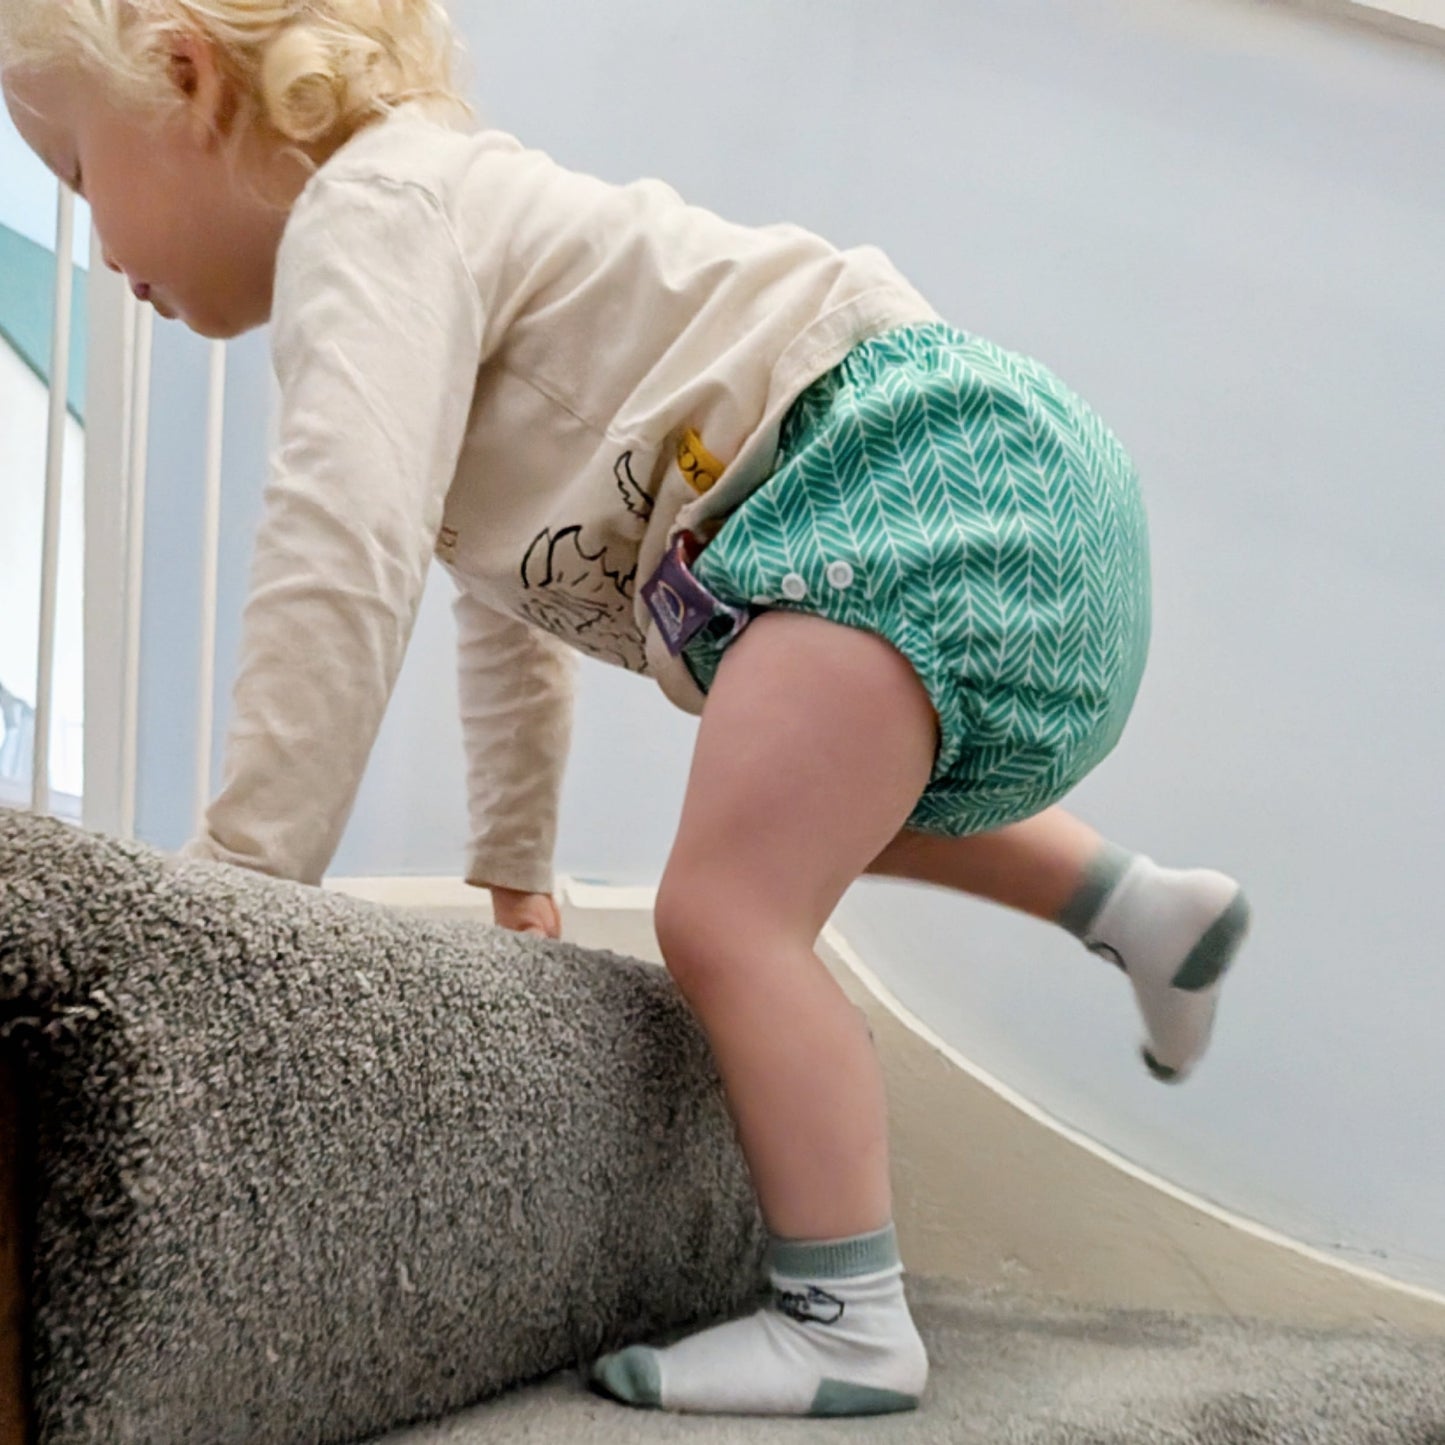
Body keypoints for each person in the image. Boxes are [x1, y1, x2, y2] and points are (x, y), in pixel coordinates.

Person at [2, 0, 1250, 1419]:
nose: (96, 244)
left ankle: (845, 1315)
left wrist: (239, 882)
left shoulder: (375, 212)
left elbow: (337, 550)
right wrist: (515, 866)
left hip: (903, 473)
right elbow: (507, 610)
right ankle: (1142, 909)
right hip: (1002, 489)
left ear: (186, 76)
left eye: (84, 177)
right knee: (806, 810)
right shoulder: (453, 237)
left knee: (722, 912)